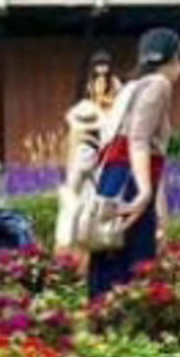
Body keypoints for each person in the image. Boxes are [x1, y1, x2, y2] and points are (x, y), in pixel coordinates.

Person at [87, 27, 180, 300]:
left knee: (108, 259)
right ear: (174, 59)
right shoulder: (159, 84)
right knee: (134, 269)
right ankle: (124, 334)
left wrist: (159, 209)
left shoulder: (129, 88)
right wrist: (144, 193)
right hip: (131, 180)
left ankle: (99, 330)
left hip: (113, 178)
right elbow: (139, 140)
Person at [55, 52, 121, 252]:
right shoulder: (87, 90)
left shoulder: (116, 86)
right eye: (98, 67)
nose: (101, 72)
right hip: (88, 153)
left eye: (105, 66)